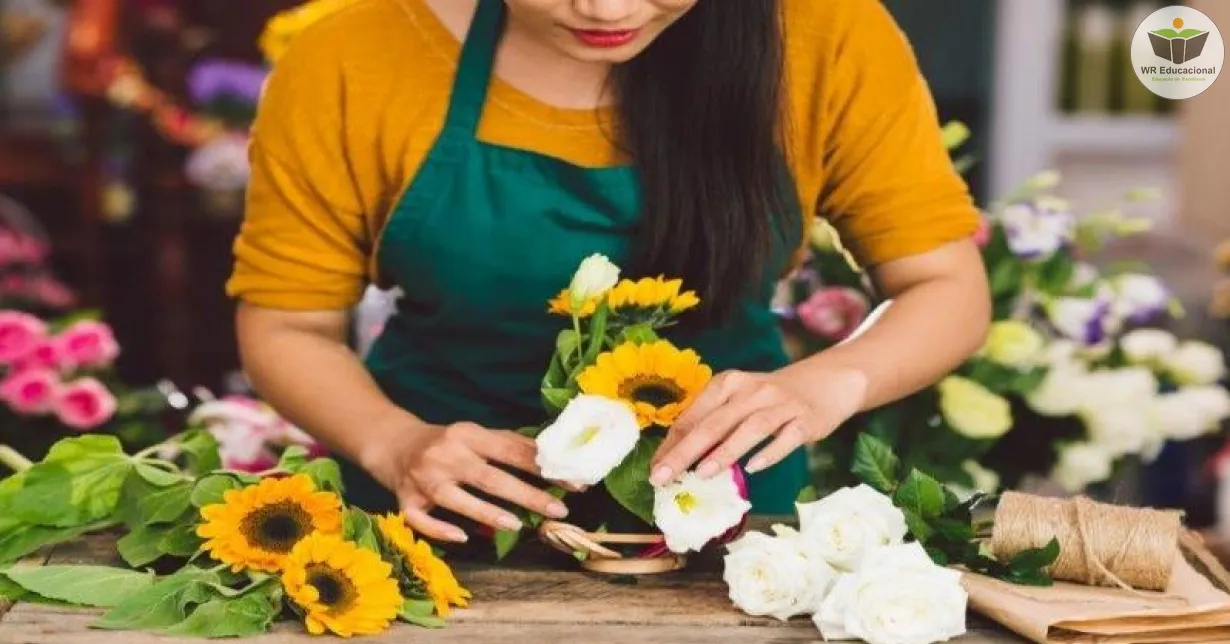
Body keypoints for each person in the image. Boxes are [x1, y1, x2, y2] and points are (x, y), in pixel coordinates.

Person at [228, 0, 991, 545]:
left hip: (728, 524)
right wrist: (394, 443)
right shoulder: (352, 55)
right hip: (437, 516)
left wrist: (830, 382)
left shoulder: (827, 33)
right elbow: (290, 323)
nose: (603, 8)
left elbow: (943, 285)